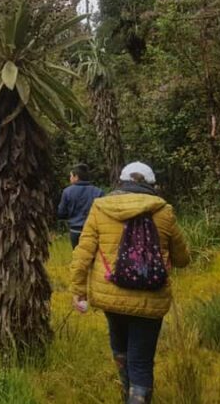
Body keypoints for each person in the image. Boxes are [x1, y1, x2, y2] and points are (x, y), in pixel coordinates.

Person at [69, 162, 190, 404]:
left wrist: (77, 290)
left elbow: (83, 253)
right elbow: (182, 259)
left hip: (111, 296)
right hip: (150, 299)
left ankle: (127, 392)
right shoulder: (164, 211)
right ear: (150, 185)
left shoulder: (101, 208)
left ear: (121, 182)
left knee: (120, 348)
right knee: (142, 360)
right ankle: (137, 396)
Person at [57, 163, 104, 249]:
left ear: (76, 177)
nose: (70, 178)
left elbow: (61, 213)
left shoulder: (67, 192)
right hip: (93, 231)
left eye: (71, 176)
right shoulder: (98, 192)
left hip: (75, 231)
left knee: (78, 258)